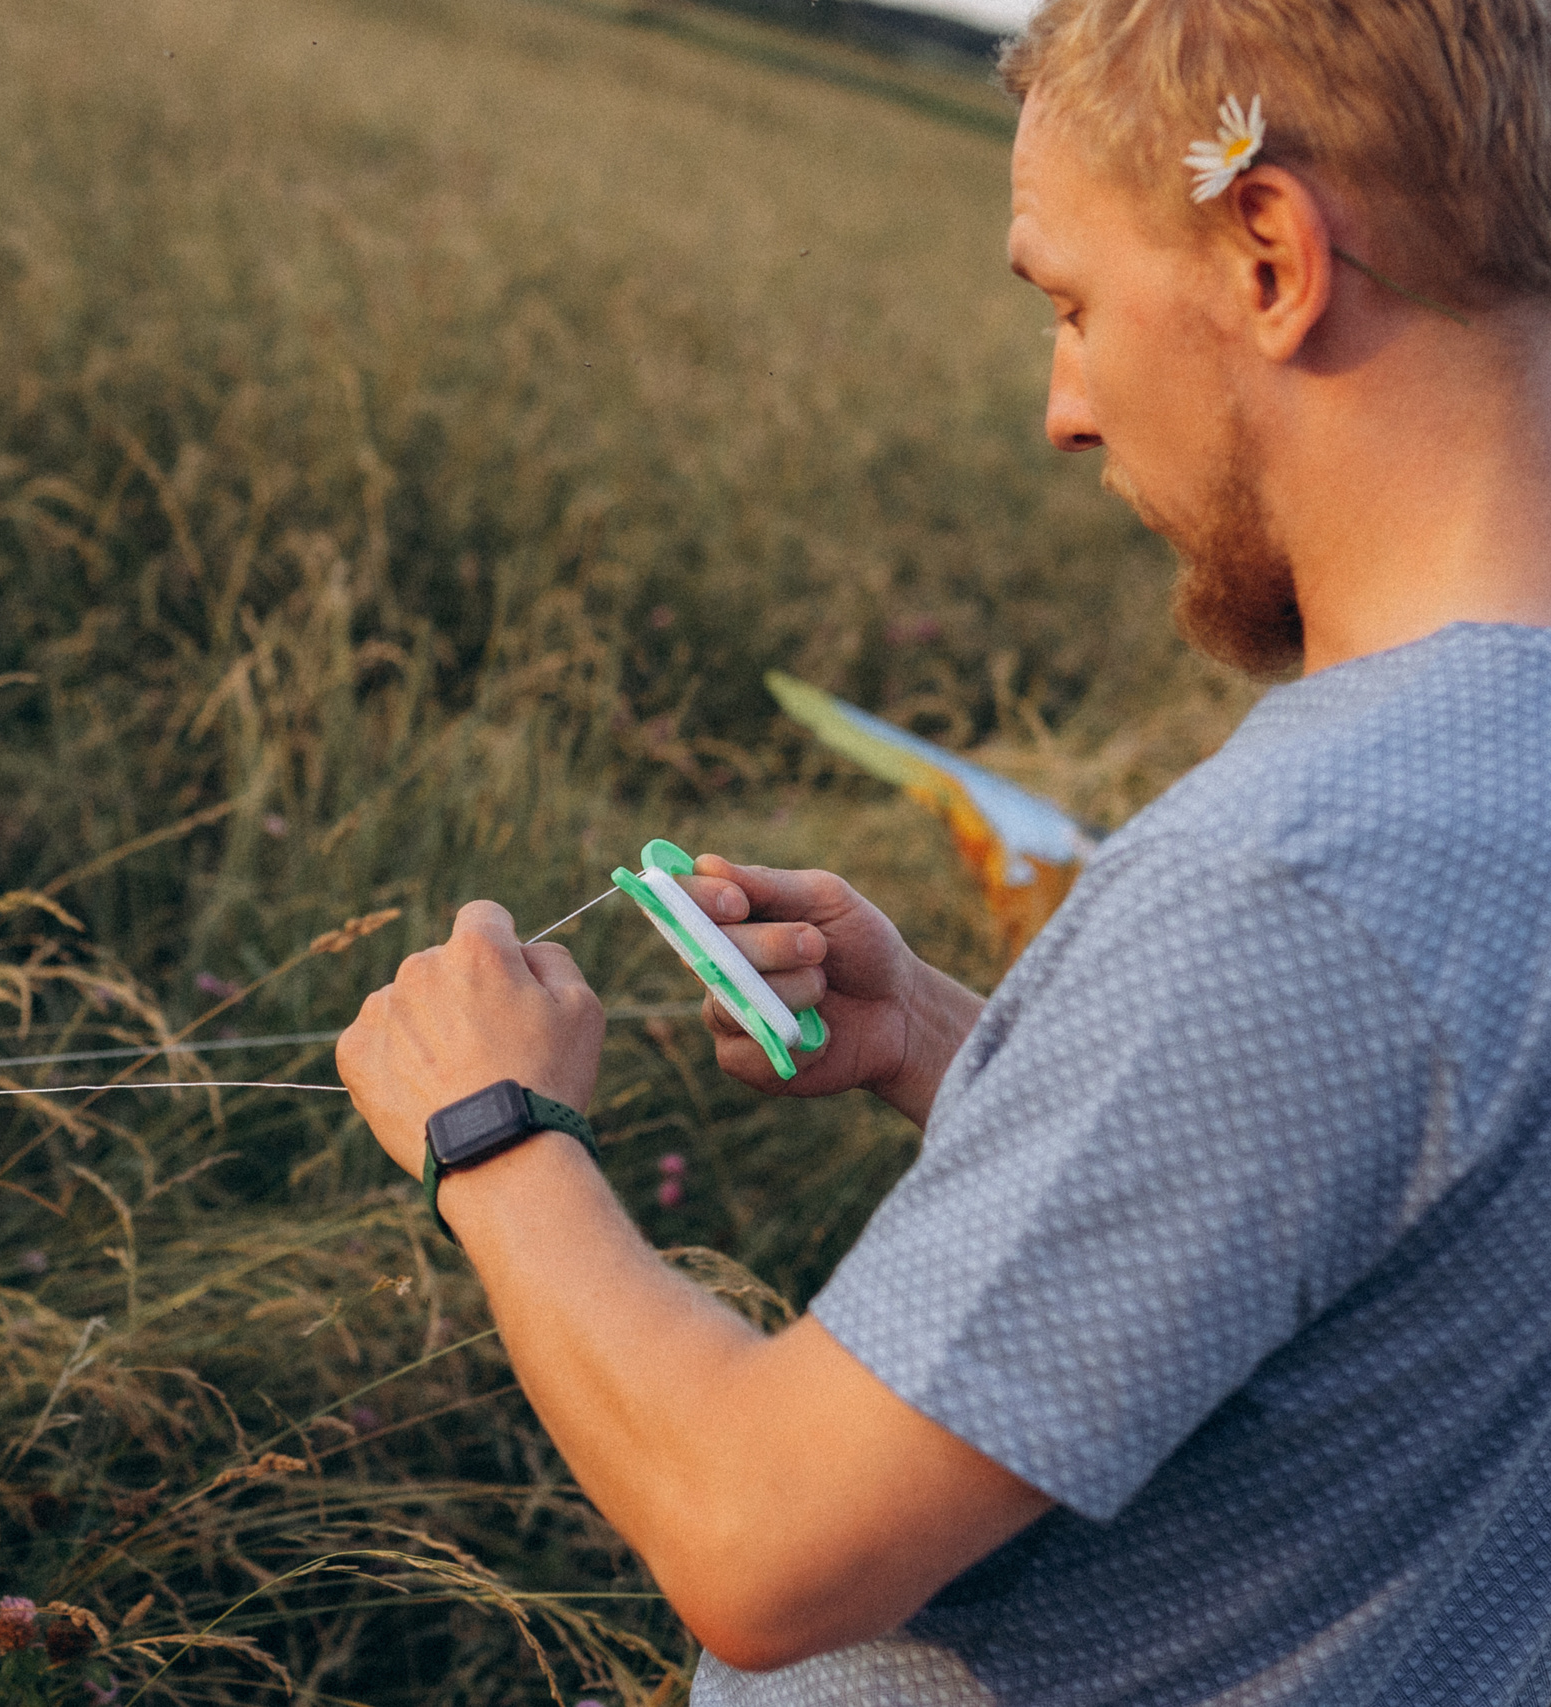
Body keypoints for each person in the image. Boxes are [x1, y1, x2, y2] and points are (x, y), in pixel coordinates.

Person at [336, 0, 1551, 1700]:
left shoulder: (1298, 873)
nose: (1066, 407)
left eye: (1070, 302)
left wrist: (496, 1132)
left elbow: (764, 1542)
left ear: (1272, 255)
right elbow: (1390, 1248)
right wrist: (944, 1040)